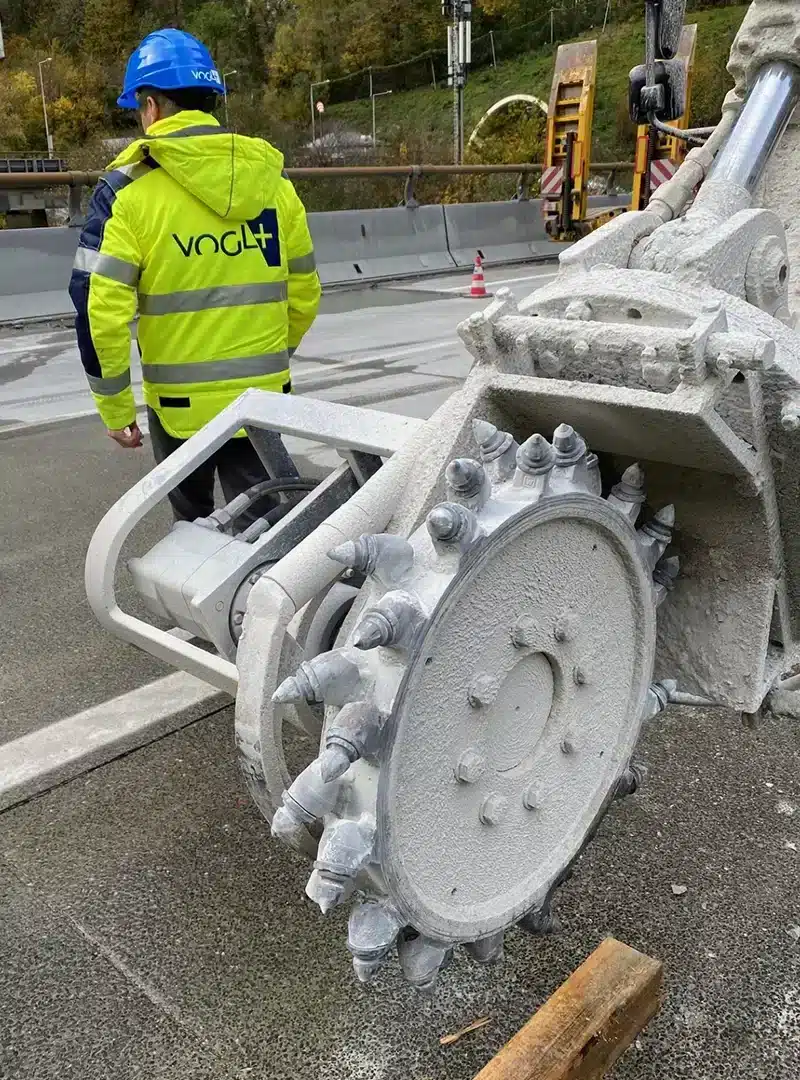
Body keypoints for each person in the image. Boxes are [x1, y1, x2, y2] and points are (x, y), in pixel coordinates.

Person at [69, 28, 321, 523]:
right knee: (270, 536)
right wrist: (268, 360)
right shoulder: (271, 181)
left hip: (178, 408)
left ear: (151, 106)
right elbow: (305, 293)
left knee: (194, 538)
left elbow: (98, 309)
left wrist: (117, 412)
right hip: (263, 399)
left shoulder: (127, 190)